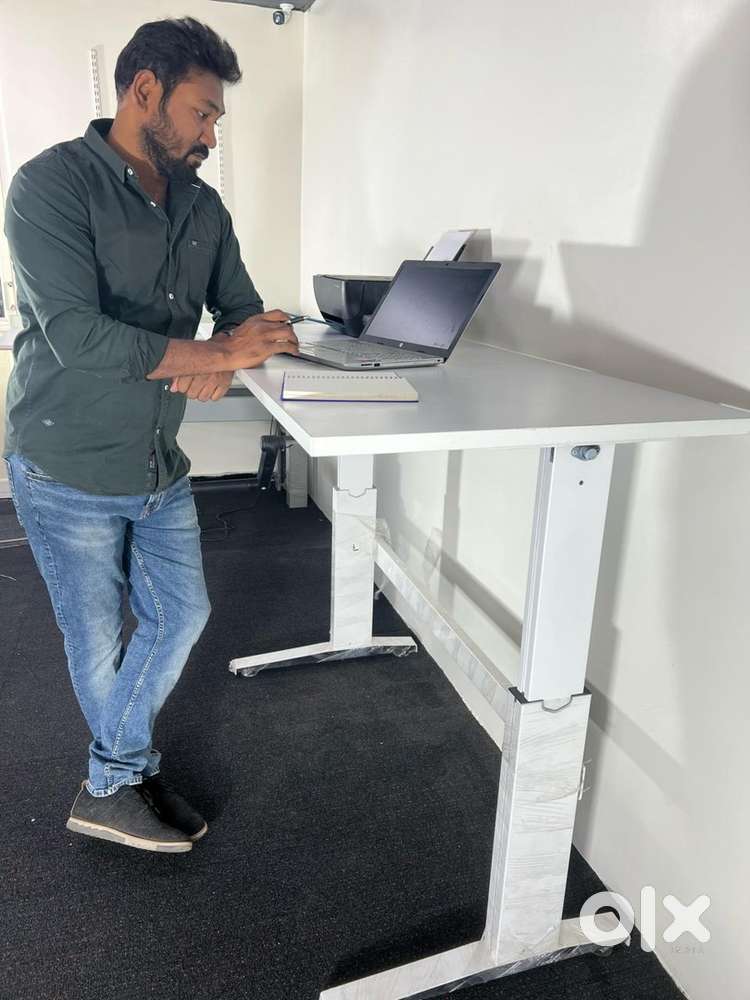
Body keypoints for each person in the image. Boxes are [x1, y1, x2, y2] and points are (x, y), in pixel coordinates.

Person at [2, 17, 299, 854]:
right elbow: (79, 337)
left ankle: (113, 774)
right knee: (97, 639)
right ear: (144, 92)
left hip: (158, 461)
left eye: (216, 119)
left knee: (181, 613)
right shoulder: (49, 187)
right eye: (202, 113)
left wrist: (225, 355)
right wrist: (215, 353)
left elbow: (243, 311)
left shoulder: (203, 206)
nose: (211, 135)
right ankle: (119, 778)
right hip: (65, 462)